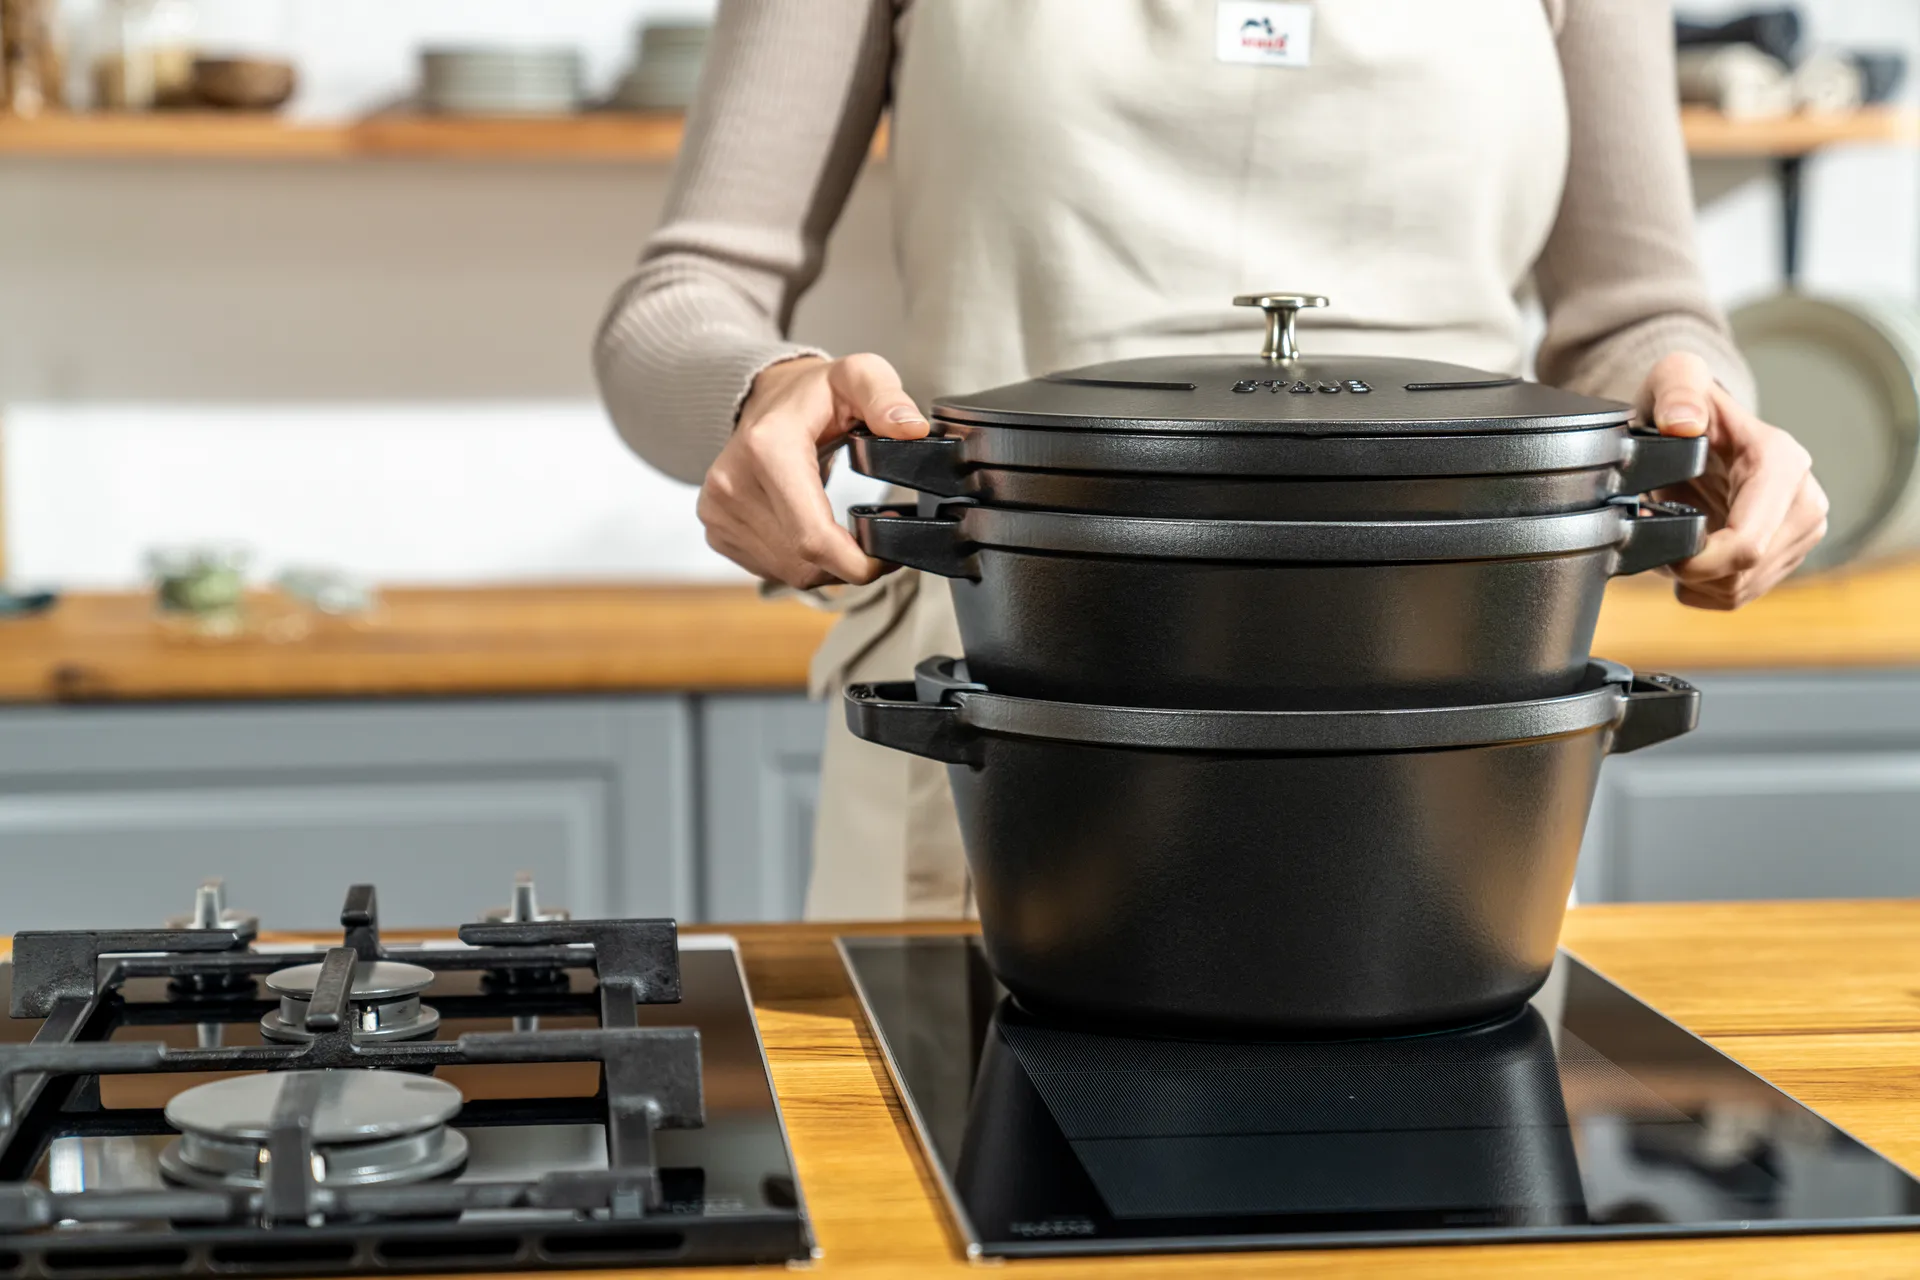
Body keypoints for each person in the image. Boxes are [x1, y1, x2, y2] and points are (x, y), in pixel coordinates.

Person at [595, 0, 1829, 920]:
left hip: (1460, 728)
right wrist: (760, 392)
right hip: (1008, 708)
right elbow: (682, 298)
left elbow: (1636, 310)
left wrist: (1707, 410)